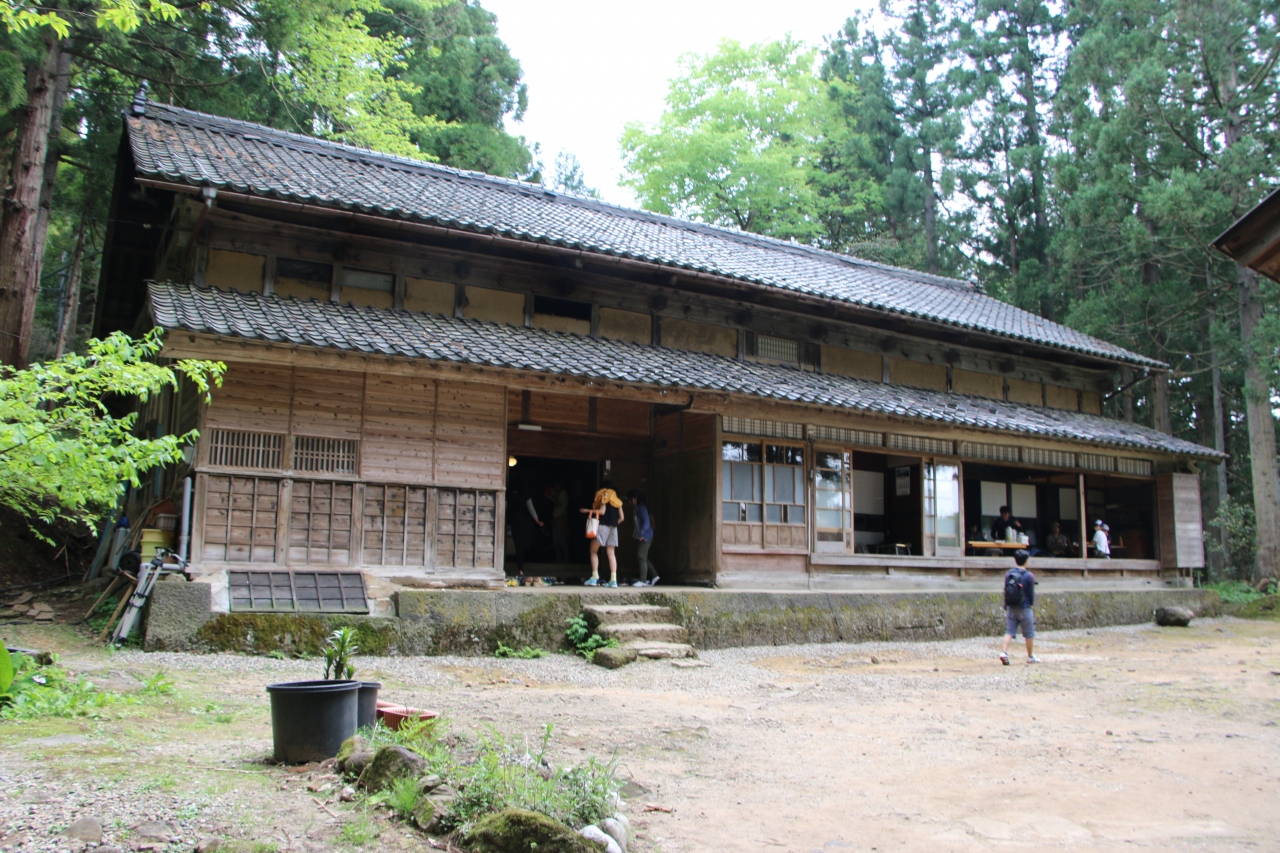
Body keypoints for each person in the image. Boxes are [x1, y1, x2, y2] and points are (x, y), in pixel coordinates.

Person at [581, 480, 624, 587]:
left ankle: (594, 577)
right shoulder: (617, 500)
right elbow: (622, 518)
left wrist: (587, 511)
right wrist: (613, 524)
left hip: (603, 526)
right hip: (614, 528)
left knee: (593, 550)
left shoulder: (603, 495)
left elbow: (602, 512)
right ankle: (613, 580)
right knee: (611, 553)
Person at [999, 550, 1039, 664]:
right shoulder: (1029, 575)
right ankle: (1030, 656)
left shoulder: (1009, 574)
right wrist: (1030, 604)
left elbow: (1005, 590)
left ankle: (1004, 652)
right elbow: (1030, 593)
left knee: (1010, 631)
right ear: (1026, 561)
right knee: (1029, 634)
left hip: (1011, 607)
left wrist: (1006, 604)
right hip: (1025, 607)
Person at [508, 480, 543, 576]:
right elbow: (531, 509)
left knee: (518, 547)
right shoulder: (525, 495)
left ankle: (520, 569)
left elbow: (505, 508)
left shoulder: (509, 495)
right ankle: (522, 568)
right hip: (525, 524)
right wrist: (537, 521)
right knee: (527, 543)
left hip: (514, 524)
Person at [627, 489, 657, 587]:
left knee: (641, 557)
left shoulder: (641, 508)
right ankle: (654, 576)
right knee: (643, 557)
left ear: (634, 499)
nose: (629, 502)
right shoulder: (638, 508)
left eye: (629, 500)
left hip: (646, 536)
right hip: (646, 535)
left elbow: (646, 523)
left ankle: (643, 580)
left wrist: (642, 535)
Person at [548, 482, 570, 563]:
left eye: (556, 485)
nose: (555, 486)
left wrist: (550, 497)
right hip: (556, 519)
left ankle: (565, 561)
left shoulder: (563, 493)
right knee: (556, 541)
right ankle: (559, 561)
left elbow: (558, 503)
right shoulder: (558, 493)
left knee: (562, 541)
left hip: (560, 519)